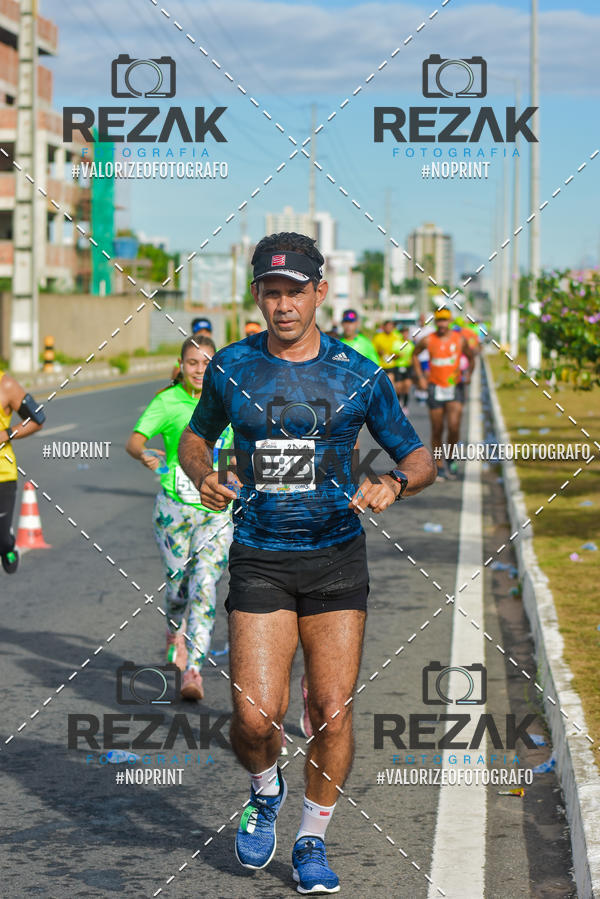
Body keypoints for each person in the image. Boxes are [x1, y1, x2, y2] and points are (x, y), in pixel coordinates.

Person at [178, 232, 436, 893]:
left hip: (336, 560)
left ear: (319, 292)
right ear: (258, 294)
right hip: (260, 556)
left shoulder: (358, 373)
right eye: (272, 291)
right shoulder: (233, 367)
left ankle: (312, 839)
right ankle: (265, 789)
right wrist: (203, 472)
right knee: (254, 718)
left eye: (296, 290)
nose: (284, 303)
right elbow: (193, 437)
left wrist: (392, 483)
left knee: (330, 710)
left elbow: (417, 455)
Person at [126, 336, 234, 701]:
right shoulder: (167, 401)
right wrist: (147, 458)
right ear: (181, 365)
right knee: (178, 589)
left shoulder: (230, 403)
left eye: (207, 363)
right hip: (174, 509)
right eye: (193, 363)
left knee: (205, 589)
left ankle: (193, 672)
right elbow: (135, 442)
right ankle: (175, 631)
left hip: (217, 513)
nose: (200, 370)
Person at [412, 308, 476, 480]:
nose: (442, 324)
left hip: (455, 386)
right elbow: (415, 355)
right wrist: (420, 378)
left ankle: (450, 457)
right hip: (435, 386)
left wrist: (468, 374)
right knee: (437, 428)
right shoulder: (428, 340)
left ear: (450, 321)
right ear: (436, 322)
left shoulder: (459, 339)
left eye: (445, 320)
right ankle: (439, 464)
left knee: (454, 427)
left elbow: (471, 357)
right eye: (439, 320)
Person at [0, 373, 46, 574]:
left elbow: (37, 419)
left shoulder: (6, 385)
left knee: (0, 537)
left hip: (2, 473)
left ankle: (7, 545)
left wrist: (7, 433)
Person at [372, 320, 406, 404]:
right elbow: (372, 351)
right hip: (380, 365)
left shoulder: (396, 337)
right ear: (383, 327)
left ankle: (393, 403)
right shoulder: (378, 337)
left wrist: (394, 355)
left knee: (392, 386)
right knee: (381, 387)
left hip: (392, 365)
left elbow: (401, 352)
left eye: (391, 326)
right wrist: (379, 352)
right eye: (387, 326)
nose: (389, 328)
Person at [393, 326, 415, 412]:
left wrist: (411, 360)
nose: (405, 334)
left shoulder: (411, 344)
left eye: (406, 333)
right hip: (398, 366)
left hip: (408, 367)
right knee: (398, 387)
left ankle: (405, 406)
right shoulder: (397, 343)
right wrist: (398, 356)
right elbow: (393, 355)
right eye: (403, 333)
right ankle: (399, 403)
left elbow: (414, 356)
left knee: (407, 386)